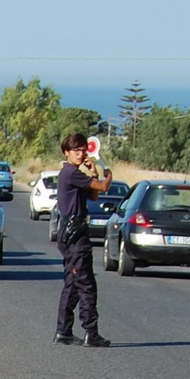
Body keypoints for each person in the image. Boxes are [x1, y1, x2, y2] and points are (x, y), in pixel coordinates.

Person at [54, 133, 110, 346]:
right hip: (76, 235)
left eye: (83, 149)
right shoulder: (71, 173)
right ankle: (91, 332)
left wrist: (93, 171)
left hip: (70, 233)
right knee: (86, 283)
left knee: (72, 283)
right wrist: (108, 172)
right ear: (67, 152)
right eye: (76, 150)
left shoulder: (74, 175)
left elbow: (93, 195)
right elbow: (103, 188)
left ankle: (64, 331)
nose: (81, 153)